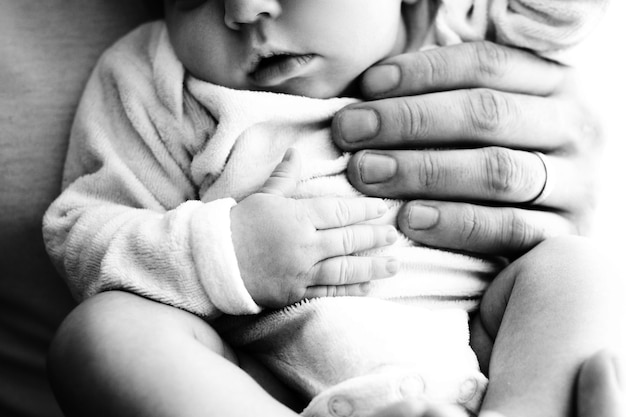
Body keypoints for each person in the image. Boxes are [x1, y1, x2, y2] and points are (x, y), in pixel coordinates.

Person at [42, 0, 618, 416]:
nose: (243, 11)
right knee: (102, 336)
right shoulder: (156, 76)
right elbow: (83, 231)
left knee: (574, 271)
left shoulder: (463, 28)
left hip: (481, 354)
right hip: (262, 385)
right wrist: (225, 253)